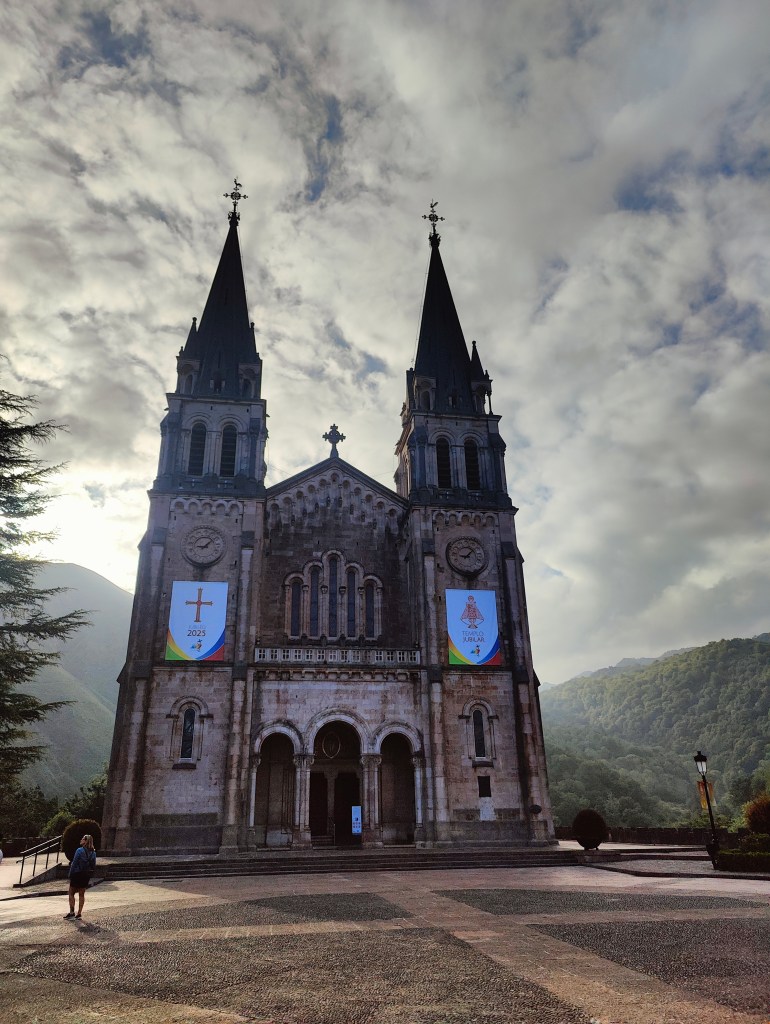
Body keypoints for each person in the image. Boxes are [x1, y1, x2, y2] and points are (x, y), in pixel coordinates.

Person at [64, 834, 96, 920]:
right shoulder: (93, 853)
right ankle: (79, 913)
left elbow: (74, 863)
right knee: (82, 894)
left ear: (85, 841)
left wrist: (70, 874)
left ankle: (72, 912)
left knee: (71, 893)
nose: (81, 840)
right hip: (85, 875)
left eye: (82, 839)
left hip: (77, 874)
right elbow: (93, 865)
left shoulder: (79, 850)